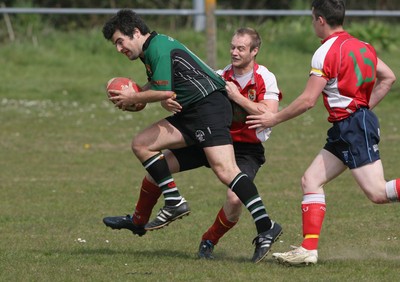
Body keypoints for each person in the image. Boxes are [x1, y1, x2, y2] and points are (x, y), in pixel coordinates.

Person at [102, 10, 282, 262]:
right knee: (143, 145)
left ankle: (265, 226)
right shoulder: (150, 51)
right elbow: (164, 89)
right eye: (115, 44)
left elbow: (163, 90)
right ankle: (157, 210)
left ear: (135, 32)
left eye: (120, 41)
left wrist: (134, 97)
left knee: (226, 172)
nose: (119, 48)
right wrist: (139, 95)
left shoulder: (158, 46)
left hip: (207, 109)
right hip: (192, 112)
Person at [246, 0, 398, 266]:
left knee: (377, 193)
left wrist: (274, 118)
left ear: (320, 20)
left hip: (352, 126)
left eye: (311, 18)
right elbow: (388, 77)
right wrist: (362, 108)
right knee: (311, 180)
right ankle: (308, 249)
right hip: (349, 125)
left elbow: (307, 100)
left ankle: (308, 249)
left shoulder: (326, 51)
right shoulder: (364, 46)